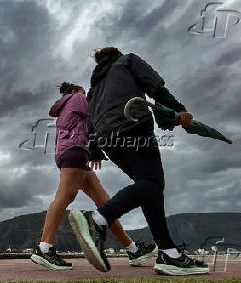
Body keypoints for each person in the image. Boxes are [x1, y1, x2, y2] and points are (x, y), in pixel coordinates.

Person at [69, 48, 209, 275]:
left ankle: (168, 253)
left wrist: (94, 150)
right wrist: (179, 110)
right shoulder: (127, 61)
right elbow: (154, 85)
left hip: (108, 140)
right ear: (116, 53)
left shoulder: (93, 90)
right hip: (132, 125)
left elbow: (90, 123)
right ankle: (97, 219)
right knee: (152, 183)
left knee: (148, 188)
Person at [30, 82, 157, 271]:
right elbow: (94, 120)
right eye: (84, 92)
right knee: (65, 197)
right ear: (74, 91)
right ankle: (44, 248)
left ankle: (133, 249)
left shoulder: (64, 107)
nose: (87, 96)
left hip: (71, 153)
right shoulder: (77, 97)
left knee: (105, 203)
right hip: (76, 151)